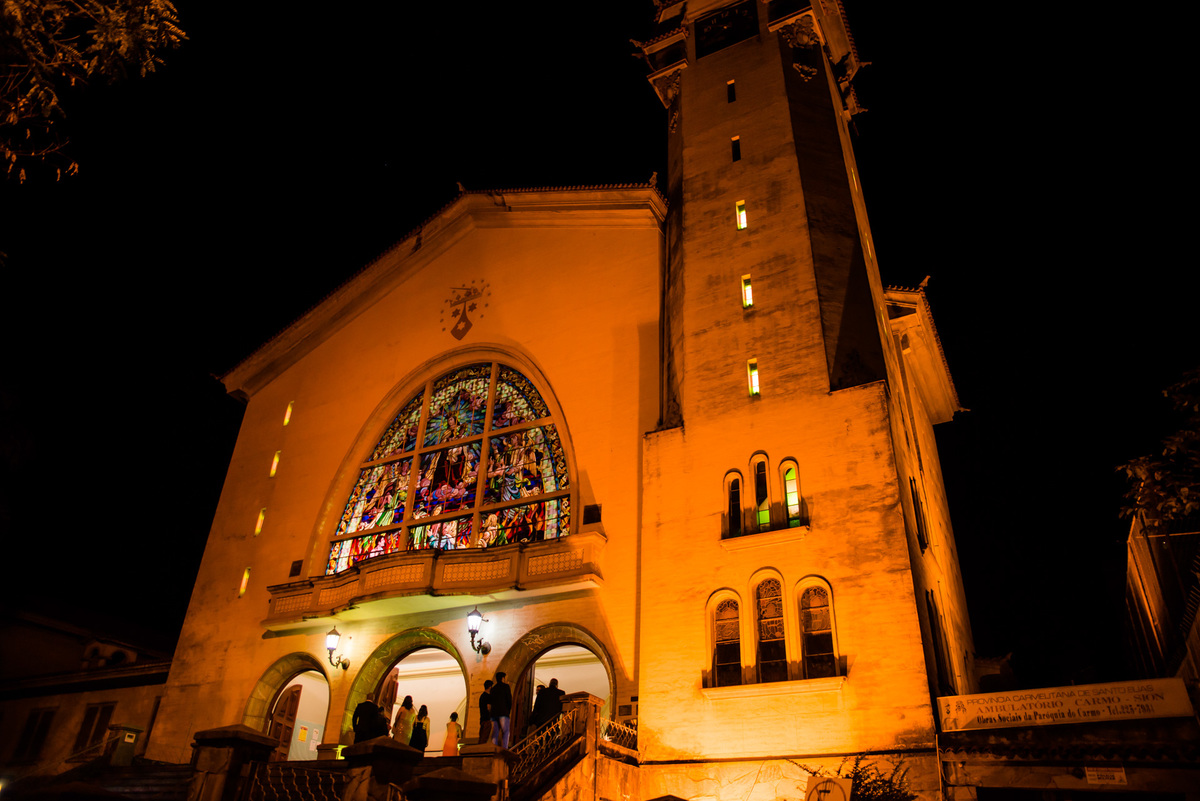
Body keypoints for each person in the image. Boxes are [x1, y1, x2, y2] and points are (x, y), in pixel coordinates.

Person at [489, 672, 513, 749]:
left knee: (495, 733)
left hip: (494, 714)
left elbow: (491, 702)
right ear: (503, 678)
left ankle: (493, 748)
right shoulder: (506, 687)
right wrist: (508, 710)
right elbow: (509, 700)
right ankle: (504, 749)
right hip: (503, 713)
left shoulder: (493, 689)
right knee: (505, 732)